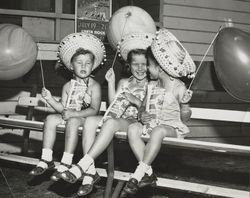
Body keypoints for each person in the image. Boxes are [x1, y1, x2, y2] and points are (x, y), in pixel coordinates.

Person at [59, 32, 155, 196]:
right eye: (135, 64)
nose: (139, 68)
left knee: (110, 123)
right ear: (128, 65)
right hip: (120, 118)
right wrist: (111, 83)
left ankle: (82, 165)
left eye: (143, 64)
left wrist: (136, 101)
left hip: (136, 123)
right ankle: (90, 172)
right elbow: (113, 104)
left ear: (149, 65)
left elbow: (150, 111)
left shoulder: (152, 84)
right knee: (90, 121)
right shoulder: (125, 82)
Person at [121, 28, 196, 196]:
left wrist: (185, 105)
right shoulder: (152, 86)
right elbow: (143, 106)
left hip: (171, 128)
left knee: (158, 131)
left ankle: (138, 174)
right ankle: (148, 173)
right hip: (153, 124)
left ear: (160, 67)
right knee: (133, 129)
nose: (147, 69)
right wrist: (141, 114)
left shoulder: (178, 87)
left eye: (149, 65)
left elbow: (185, 119)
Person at [29, 32, 106, 182]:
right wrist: (50, 99)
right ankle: (46, 159)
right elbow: (62, 109)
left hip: (85, 119)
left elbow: (94, 110)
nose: (84, 66)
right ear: (71, 66)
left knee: (72, 121)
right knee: (51, 118)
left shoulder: (94, 86)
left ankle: (66, 162)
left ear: (93, 66)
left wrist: (73, 114)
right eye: (79, 62)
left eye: (88, 63)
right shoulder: (67, 86)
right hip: (70, 116)